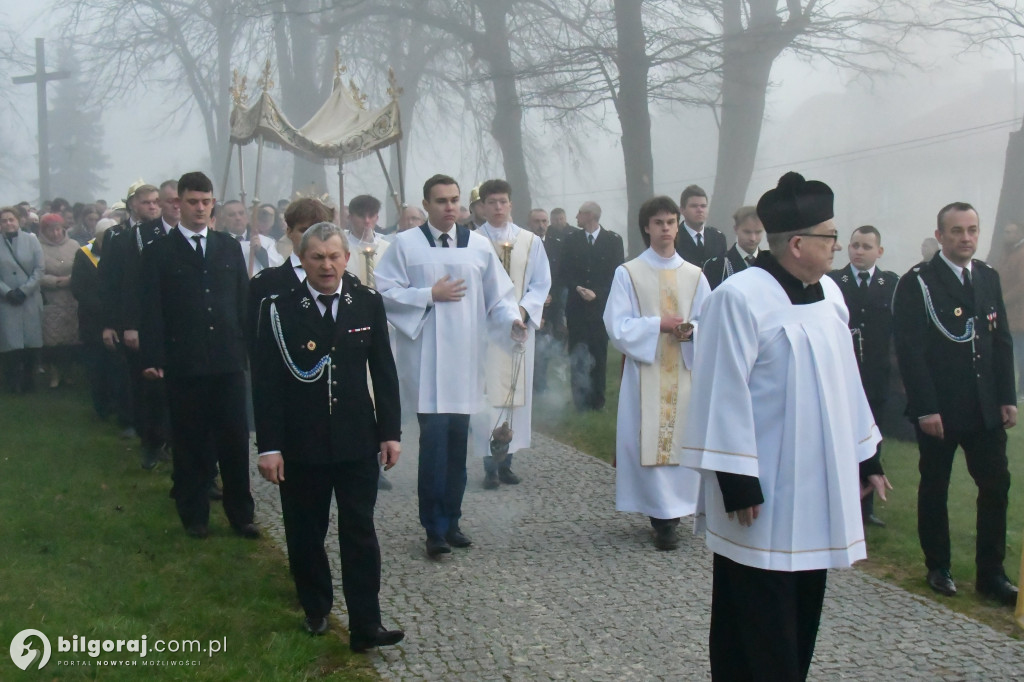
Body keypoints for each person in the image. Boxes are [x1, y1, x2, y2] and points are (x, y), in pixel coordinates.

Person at [681, 172, 889, 681]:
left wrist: (867, 456)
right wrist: (736, 479)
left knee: (801, 615)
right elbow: (720, 391)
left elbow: (847, 381)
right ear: (797, 244)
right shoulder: (738, 298)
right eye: (830, 236)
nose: (837, 245)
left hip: (814, 491)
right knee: (755, 621)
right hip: (761, 496)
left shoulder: (830, 294)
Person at [254, 222, 404, 649]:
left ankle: (366, 624)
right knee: (306, 532)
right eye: (317, 257)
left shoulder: (366, 302)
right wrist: (270, 446)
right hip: (302, 442)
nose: (326, 265)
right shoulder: (279, 308)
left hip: (356, 437)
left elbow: (384, 370)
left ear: (347, 258)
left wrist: (389, 432)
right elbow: (266, 382)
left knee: (360, 532)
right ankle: (316, 608)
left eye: (334, 256)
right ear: (302, 260)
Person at [374, 174, 526, 558]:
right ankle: (434, 528)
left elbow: (499, 296)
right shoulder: (405, 244)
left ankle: (453, 521)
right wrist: (429, 294)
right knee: (434, 449)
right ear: (426, 204)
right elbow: (384, 293)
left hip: (465, 363)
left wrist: (512, 320)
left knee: (458, 448)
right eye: (441, 201)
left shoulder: (478, 246)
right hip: (426, 366)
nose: (449, 207)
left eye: (454, 200)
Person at [893, 201, 1018, 606]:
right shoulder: (919, 282)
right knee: (936, 486)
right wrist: (926, 407)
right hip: (941, 408)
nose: (966, 238)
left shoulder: (987, 276)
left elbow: (1000, 340)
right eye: (957, 231)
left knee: (996, 485)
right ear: (941, 235)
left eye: (972, 230)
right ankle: (938, 565)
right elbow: (911, 351)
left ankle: (991, 574)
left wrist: (1006, 397)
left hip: (984, 406)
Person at [139, 171, 258, 540]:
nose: (200, 209)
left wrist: (249, 351)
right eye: (193, 202)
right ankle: (194, 515)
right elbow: (151, 309)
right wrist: (153, 357)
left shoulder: (227, 247)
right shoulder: (160, 252)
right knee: (190, 440)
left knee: (234, 441)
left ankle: (241, 515)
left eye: (206, 202)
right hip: (184, 360)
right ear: (179, 204)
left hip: (227, 359)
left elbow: (242, 301)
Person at [604, 196, 710, 551]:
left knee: (681, 439)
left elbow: (708, 321)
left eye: (670, 222)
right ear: (646, 228)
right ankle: (661, 517)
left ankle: (676, 513)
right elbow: (617, 325)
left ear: (678, 226)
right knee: (648, 439)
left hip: (683, 372)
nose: (665, 228)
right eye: (658, 223)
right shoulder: (629, 273)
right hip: (645, 373)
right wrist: (657, 325)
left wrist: (689, 331)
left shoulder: (695, 276)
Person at [470, 179, 551, 489]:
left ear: (511, 204)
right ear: (482, 206)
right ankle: (489, 466)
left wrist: (523, 313)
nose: (498, 207)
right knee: (488, 398)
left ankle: (507, 463)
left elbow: (541, 283)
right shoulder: (473, 241)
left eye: (503, 201)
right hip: (486, 333)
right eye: (491, 202)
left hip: (519, 332)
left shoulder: (530, 241)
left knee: (516, 398)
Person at [827, 225, 899, 528]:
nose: (859, 251)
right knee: (839, 438)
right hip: (842, 373)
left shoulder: (890, 284)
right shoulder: (834, 281)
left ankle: (865, 507)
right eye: (855, 245)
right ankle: (838, 501)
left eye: (866, 247)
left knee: (872, 440)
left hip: (875, 375)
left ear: (879, 251)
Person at [118, 181, 178, 470]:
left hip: (182, 321)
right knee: (153, 386)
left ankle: (178, 443)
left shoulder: (193, 234)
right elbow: (131, 282)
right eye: (168, 200)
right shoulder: (142, 236)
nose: (174, 205)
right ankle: (153, 442)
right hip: (151, 319)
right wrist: (130, 324)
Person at [559, 201, 623, 410]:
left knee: (598, 353)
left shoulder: (612, 240)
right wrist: (577, 288)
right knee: (577, 353)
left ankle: (598, 400)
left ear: (590, 215)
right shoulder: (571, 240)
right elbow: (564, 271)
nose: (576, 217)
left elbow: (616, 274)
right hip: (576, 307)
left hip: (600, 309)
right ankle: (579, 400)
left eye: (580, 213)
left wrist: (598, 293)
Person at [72, 220, 129, 424]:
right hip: (92, 320)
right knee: (96, 365)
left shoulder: (122, 254)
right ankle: (101, 406)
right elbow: (78, 288)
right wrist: (102, 307)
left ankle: (118, 404)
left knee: (117, 367)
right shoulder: (83, 255)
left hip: (117, 319)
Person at [0, 206, 44, 393]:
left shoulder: (31, 240)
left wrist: (24, 291)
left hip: (29, 298)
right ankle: (12, 381)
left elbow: (39, 269)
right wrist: (7, 292)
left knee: (30, 342)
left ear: (18, 221)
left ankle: (29, 380)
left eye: (11, 219)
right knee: (10, 343)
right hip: (6, 300)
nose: (8, 223)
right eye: (4, 220)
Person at [37, 213, 80, 389]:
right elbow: (36, 272)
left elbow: (81, 268)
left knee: (72, 339)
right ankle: (54, 374)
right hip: (51, 299)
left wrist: (71, 279)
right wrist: (54, 281)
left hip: (71, 298)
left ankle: (68, 373)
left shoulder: (74, 245)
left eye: (58, 229)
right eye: (50, 230)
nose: (55, 233)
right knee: (52, 340)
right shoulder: (38, 247)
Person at [528, 208, 566, 394]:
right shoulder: (523, 244)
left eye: (544, 221)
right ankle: (531, 385)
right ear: (530, 223)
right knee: (531, 347)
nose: (541, 225)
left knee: (548, 347)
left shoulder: (557, 245)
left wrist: (552, 296)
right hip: (530, 304)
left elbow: (561, 276)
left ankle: (543, 387)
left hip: (552, 305)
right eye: (537, 221)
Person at [701, 206, 763, 290]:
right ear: (736, 229)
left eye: (758, 232)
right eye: (747, 232)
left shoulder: (771, 264)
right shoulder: (716, 265)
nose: (753, 238)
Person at [994, 222, 1024, 395]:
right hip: (1007, 316)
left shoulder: (1021, 254)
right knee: (1008, 354)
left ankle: (1022, 390)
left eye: (1010, 232)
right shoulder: (1006, 253)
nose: (1006, 235)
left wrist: (1003, 301)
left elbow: (1022, 285)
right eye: (1005, 232)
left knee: (1021, 354)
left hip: (1019, 316)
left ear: (1019, 234)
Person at [674, 185, 726, 267]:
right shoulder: (673, 238)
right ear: (682, 210)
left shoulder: (718, 237)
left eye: (703, 206)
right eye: (694, 206)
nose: (700, 210)